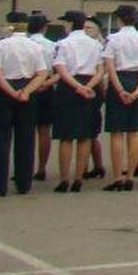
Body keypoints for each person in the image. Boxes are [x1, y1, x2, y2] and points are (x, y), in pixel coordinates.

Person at [0, 12, 48, 196]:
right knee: (26, 138)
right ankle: (24, 183)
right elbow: (42, 73)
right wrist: (27, 91)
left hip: (4, 89)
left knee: (0, 138)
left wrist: (10, 91)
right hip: (27, 87)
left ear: (10, 25)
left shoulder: (1, 45)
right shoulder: (35, 46)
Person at [101, 5, 138, 191]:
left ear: (120, 19)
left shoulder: (113, 39)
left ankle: (118, 177)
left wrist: (119, 89)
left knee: (117, 132)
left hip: (120, 79)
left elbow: (109, 66)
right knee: (134, 131)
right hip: (137, 79)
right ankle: (130, 175)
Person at [52, 11, 104, 192]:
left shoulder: (63, 43)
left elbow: (61, 69)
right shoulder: (95, 44)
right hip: (89, 83)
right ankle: (79, 178)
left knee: (66, 136)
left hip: (69, 86)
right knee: (85, 135)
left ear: (70, 24)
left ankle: (64, 179)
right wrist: (87, 86)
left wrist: (77, 87)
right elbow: (100, 70)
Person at [27, 14, 59, 181]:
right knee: (44, 130)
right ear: (44, 28)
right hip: (46, 85)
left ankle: (24, 166)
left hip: (26, 83)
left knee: (25, 130)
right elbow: (58, 71)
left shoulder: (25, 43)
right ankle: (41, 167)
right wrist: (46, 83)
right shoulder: (52, 46)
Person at [83, 17, 108, 179]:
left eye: (90, 28)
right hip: (88, 86)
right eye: (84, 28)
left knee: (89, 132)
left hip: (95, 88)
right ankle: (95, 165)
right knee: (88, 132)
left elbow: (103, 72)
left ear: (98, 30)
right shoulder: (84, 44)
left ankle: (88, 166)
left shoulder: (100, 47)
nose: (86, 30)